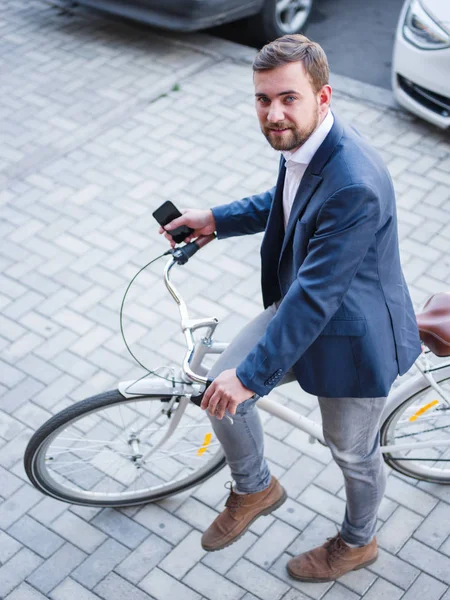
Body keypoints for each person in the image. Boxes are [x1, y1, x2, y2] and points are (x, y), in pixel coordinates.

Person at [159, 34, 421, 582]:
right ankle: (256, 488)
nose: (273, 113)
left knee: (351, 452)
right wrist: (216, 218)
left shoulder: (354, 183)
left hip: (352, 339)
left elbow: (317, 296)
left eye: (288, 98)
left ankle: (357, 542)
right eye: (262, 99)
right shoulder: (304, 146)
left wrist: (251, 377)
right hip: (306, 311)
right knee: (217, 389)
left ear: (323, 98)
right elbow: (285, 202)